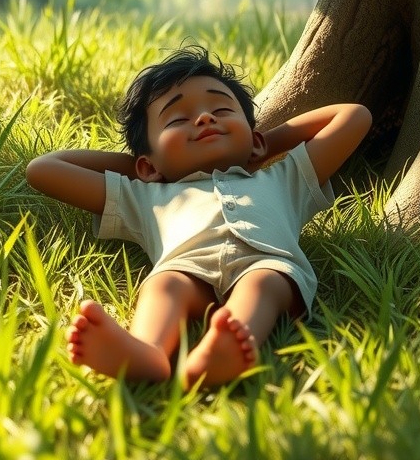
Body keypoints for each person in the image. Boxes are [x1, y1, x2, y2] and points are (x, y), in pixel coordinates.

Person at [26, 47, 372, 388]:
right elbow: (44, 170)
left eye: (221, 109)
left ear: (254, 140)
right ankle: (147, 351)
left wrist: (264, 145)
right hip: (186, 268)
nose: (205, 118)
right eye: (177, 119)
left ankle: (232, 344)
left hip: (266, 264)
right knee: (165, 285)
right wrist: (144, 170)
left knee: (263, 283)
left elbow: (353, 117)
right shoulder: (144, 196)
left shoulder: (282, 179)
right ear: (148, 165)